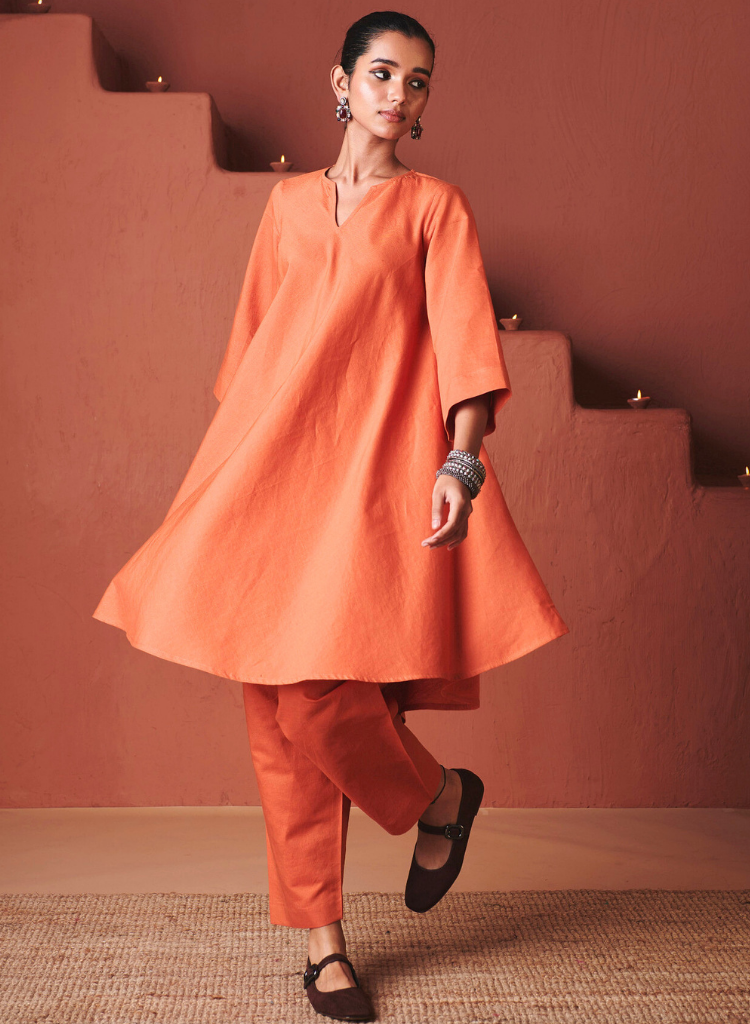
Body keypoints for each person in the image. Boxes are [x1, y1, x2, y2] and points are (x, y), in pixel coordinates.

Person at [92, 10, 569, 1022]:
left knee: (316, 700)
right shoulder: (285, 207)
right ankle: (328, 944)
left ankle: (438, 800)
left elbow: (467, 349)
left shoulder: (436, 208)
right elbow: (251, 356)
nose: (400, 93)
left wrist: (460, 463)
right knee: (274, 717)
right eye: (383, 72)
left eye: (419, 81)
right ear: (341, 84)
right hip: (273, 478)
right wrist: (230, 486)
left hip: (372, 488)